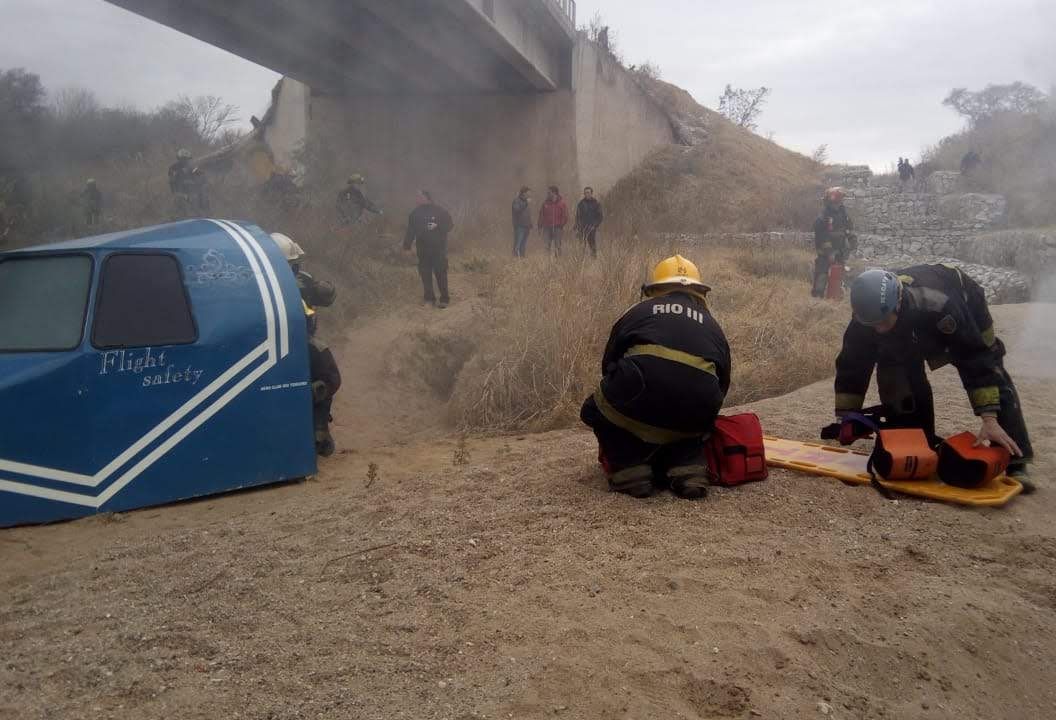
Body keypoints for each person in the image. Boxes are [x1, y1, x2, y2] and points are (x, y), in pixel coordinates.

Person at [835, 265, 1034, 491]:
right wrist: (846, 418)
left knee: (991, 365)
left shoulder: (940, 304)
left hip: (966, 307)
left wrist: (989, 418)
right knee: (899, 377)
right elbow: (852, 364)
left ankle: (1017, 461)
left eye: (883, 321)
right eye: (873, 324)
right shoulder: (866, 317)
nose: (878, 329)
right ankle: (920, 442)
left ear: (898, 304)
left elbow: (974, 358)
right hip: (913, 327)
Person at [580, 254, 731, 500]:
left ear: (655, 289)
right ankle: (688, 468)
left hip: (637, 390)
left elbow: (609, 364)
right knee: (696, 414)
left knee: (593, 409)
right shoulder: (713, 325)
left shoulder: (638, 311)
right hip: (699, 406)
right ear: (699, 292)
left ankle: (631, 470)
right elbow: (722, 384)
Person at [272, 232, 342, 457]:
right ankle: (318, 430)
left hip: (267, 346)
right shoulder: (301, 281)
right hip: (301, 342)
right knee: (330, 378)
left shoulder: (254, 283)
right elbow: (328, 297)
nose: (296, 268)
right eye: (293, 264)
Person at [404, 190, 454, 308]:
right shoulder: (414, 214)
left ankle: (444, 299)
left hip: (438, 249)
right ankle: (429, 299)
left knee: (440, 273)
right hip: (423, 249)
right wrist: (406, 246)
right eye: (416, 197)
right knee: (425, 274)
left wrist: (438, 226)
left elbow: (450, 225)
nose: (417, 199)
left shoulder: (439, 211)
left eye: (419, 196)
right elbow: (410, 231)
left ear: (427, 198)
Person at [812, 187, 856, 298]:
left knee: (839, 274)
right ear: (831, 201)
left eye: (840, 201)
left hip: (840, 250)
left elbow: (849, 227)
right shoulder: (824, 215)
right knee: (821, 274)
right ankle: (817, 298)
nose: (839, 204)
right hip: (825, 252)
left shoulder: (843, 212)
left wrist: (852, 240)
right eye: (837, 201)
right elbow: (821, 235)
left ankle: (835, 296)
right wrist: (830, 252)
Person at [537, 185, 569, 257]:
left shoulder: (562, 203)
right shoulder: (545, 203)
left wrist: (561, 224)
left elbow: (565, 215)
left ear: (554, 193)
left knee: (557, 245)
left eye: (549, 192)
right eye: (548, 192)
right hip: (547, 228)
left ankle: (558, 261)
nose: (548, 194)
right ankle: (546, 261)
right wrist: (539, 226)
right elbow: (541, 215)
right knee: (546, 245)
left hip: (558, 228)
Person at [574, 186, 604, 257]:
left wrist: (595, 225)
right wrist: (577, 226)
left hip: (591, 227)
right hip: (582, 228)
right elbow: (577, 216)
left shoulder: (596, 203)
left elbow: (600, 216)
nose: (586, 194)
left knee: (592, 245)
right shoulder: (581, 204)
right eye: (585, 193)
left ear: (591, 193)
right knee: (582, 246)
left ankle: (593, 260)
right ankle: (581, 261)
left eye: (588, 192)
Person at [168, 149, 195, 215]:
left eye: (187, 159)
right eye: (183, 159)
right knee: (179, 211)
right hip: (179, 193)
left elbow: (197, 179)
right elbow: (172, 181)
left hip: (192, 193)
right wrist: (177, 193)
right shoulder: (173, 167)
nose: (185, 160)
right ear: (179, 159)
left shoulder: (192, 168)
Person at [511, 186, 533, 258]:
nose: (529, 195)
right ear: (523, 193)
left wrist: (530, 224)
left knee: (523, 244)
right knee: (518, 244)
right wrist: (526, 203)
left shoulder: (525, 201)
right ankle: (515, 259)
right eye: (528, 193)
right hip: (519, 226)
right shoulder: (516, 201)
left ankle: (522, 259)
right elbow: (517, 210)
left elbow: (526, 214)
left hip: (526, 226)